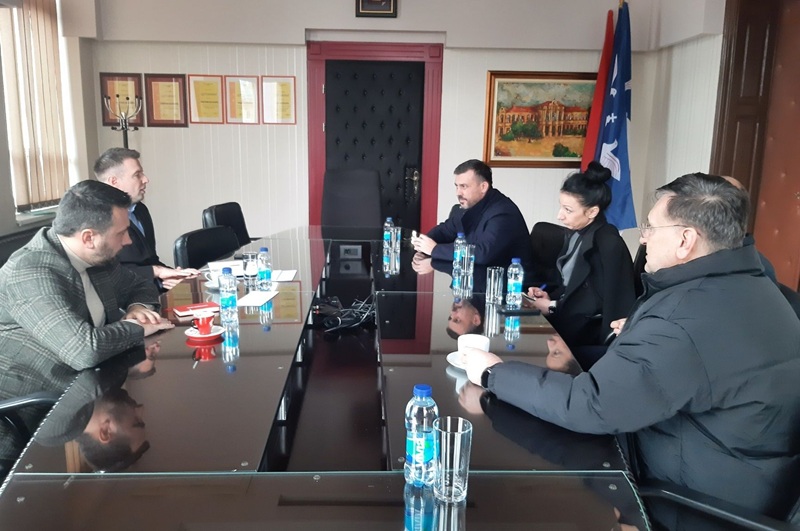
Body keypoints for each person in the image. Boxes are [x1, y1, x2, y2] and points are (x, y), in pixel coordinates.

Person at [462, 173, 800, 524]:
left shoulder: (683, 317)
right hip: (743, 478)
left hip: (692, 505)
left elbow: (591, 405)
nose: (643, 237)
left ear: (685, 240)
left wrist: (493, 372)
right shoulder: (756, 286)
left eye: (651, 227)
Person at [0, 180, 174, 374]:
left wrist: (138, 308)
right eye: (122, 233)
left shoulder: (96, 256)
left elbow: (140, 285)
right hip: (47, 388)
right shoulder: (28, 273)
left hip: (96, 375)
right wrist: (136, 327)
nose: (128, 241)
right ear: (88, 238)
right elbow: (83, 350)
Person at [526, 162, 636, 353]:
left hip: (587, 337)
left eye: (568, 210)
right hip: (568, 322)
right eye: (561, 207)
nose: (560, 216)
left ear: (592, 211)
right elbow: (573, 288)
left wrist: (552, 306)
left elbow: (596, 306)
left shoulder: (608, 244)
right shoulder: (579, 234)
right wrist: (550, 296)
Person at [93, 147, 199, 290]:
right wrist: (157, 273)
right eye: (137, 175)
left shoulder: (140, 210)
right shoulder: (97, 220)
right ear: (114, 181)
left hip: (152, 289)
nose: (145, 179)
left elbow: (150, 260)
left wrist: (175, 274)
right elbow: (108, 275)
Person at [411, 159, 534, 273]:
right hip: (476, 275)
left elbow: (483, 253)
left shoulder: (503, 213)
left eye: (464, 186)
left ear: (483, 187)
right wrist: (423, 245)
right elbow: (445, 231)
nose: (458, 193)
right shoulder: (469, 206)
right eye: (456, 186)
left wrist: (435, 249)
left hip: (511, 282)